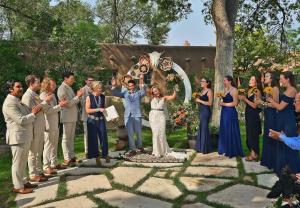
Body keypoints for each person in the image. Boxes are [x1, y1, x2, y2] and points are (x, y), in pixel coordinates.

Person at [2, 80, 41, 194]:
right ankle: (18, 186)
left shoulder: (18, 101)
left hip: (24, 136)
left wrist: (34, 111)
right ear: (10, 89)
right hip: (17, 137)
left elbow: (26, 114)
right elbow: (21, 120)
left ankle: (23, 181)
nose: (21, 88)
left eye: (21, 86)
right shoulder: (9, 103)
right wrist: (33, 113)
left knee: (23, 162)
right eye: (17, 87)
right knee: (17, 163)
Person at [267, 71, 300, 175]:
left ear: (288, 79)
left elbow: (280, 107)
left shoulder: (292, 90)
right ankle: (282, 168)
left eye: (282, 78)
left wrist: (270, 100)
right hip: (282, 118)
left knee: (287, 143)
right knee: (281, 141)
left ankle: (291, 170)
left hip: (287, 120)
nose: (280, 81)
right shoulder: (286, 90)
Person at [22, 75, 52, 182]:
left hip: (39, 125)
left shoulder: (34, 94)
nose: (39, 84)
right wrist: (46, 102)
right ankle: (33, 174)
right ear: (31, 84)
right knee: (33, 152)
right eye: (37, 82)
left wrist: (44, 104)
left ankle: (38, 171)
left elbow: (40, 108)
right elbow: (31, 112)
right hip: (34, 127)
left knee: (39, 150)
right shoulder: (27, 96)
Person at [111, 75, 146, 156]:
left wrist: (141, 80)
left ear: (134, 85)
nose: (131, 87)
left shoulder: (138, 93)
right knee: (130, 133)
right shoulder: (125, 93)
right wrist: (113, 86)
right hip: (128, 116)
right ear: (128, 86)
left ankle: (140, 147)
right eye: (129, 86)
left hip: (137, 115)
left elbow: (143, 92)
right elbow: (116, 93)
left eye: (132, 85)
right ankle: (133, 149)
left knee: (139, 133)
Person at [40, 78, 67, 176]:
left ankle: (53, 163)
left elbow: (54, 108)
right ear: (46, 85)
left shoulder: (52, 94)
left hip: (55, 123)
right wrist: (60, 106)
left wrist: (60, 104)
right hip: (48, 124)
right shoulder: (43, 95)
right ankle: (46, 166)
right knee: (48, 146)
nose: (54, 86)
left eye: (55, 85)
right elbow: (48, 110)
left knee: (54, 145)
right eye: (52, 85)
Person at [57, 71, 84, 166]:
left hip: (72, 116)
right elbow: (68, 104)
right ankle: (67, 158)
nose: (73, 80)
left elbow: (74, 102)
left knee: (71, 138)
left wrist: (78, 97)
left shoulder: (69, 88)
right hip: (67, 117)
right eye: (71, 78)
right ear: (65, 78)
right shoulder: (61, 89)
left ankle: (72, 156)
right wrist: (78, 97)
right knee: (65, 138)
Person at [256, 72, 280, 169]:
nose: (265, 77)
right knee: (267, 135)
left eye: (267, 76)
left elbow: (276, 104)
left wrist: (263, 103)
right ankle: (267, 159)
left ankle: (273, 161)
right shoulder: (267, 88)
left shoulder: (275, 88)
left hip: (273, 115)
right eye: (265, 76)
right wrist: (260, 100)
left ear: (272, 78)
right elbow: (266, 101)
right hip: (267, 113)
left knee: (271, 135)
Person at [218, 75, 244, 158]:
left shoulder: (234, 90)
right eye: (224, 80)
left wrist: (223, 104)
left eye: (225, 80)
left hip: (230, 112)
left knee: (230, 130)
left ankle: (232, 149)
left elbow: (235, 103)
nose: (224, 82)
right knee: (224, 129)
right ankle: (225, 148)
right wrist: (221, 101)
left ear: (229, 81)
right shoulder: (226, 89)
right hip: (224, 112)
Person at [85, 81, 109, 165]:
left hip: (101, 119)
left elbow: (104, 109)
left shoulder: (103, 96)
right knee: (93, 139)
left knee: (103, 137)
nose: (101, 89)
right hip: (92, 120)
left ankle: (105, 154)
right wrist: (98, 109)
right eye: (99, 88)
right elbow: (87, 110)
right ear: (95, 88)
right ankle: (96, 156)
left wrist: (111, 116)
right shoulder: (89, 97)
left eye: (101, 87)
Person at [239, 76, 262, 161]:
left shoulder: (257, 91)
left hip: (254, 115)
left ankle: (254, 154)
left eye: (252, 80)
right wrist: (243, 99)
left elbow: (255, 105)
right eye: (250, 79)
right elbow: (248, 104)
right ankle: (252, 152)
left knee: (253, 135)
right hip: (249, 115)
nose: (250, 81)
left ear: (256, 83)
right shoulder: (249, 91)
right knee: (249, 134)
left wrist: (245, 99)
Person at [149, 85, 176, 157]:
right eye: (153, 91)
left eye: (156, 91)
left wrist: (175, 88)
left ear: (159, 90)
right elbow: (142, 88)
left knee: (161, 133)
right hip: (153, 117)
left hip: (161, 116)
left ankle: (163, 150)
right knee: (155, 133)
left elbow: (173, 96)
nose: (155, 92)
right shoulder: (152, 97)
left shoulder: (164, 98)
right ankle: (156, 151)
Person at [194, 78, 213, 153]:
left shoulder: (209, 91)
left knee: (204, 128)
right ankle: (201, 147)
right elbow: (201, 102)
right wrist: (197, 101)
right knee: (202, 127)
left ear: (207, 83)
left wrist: (200, 100)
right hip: (201, 111)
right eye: (201, 81)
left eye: (203, 81)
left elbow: (210, 103)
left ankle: (205, 148)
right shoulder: (202, 91)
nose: (201, 82)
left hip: (206, 111)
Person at [80, 76, 94, 158]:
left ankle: (95, 150)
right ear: (86, 81)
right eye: (89, 80)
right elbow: (81, 103)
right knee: (87, 134)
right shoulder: (83, 89)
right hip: (86, 115)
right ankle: (87, 151)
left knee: (94, 134)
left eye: (92, 80)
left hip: (95, 115)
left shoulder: (95, 89)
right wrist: (90, 98)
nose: (91, 82)